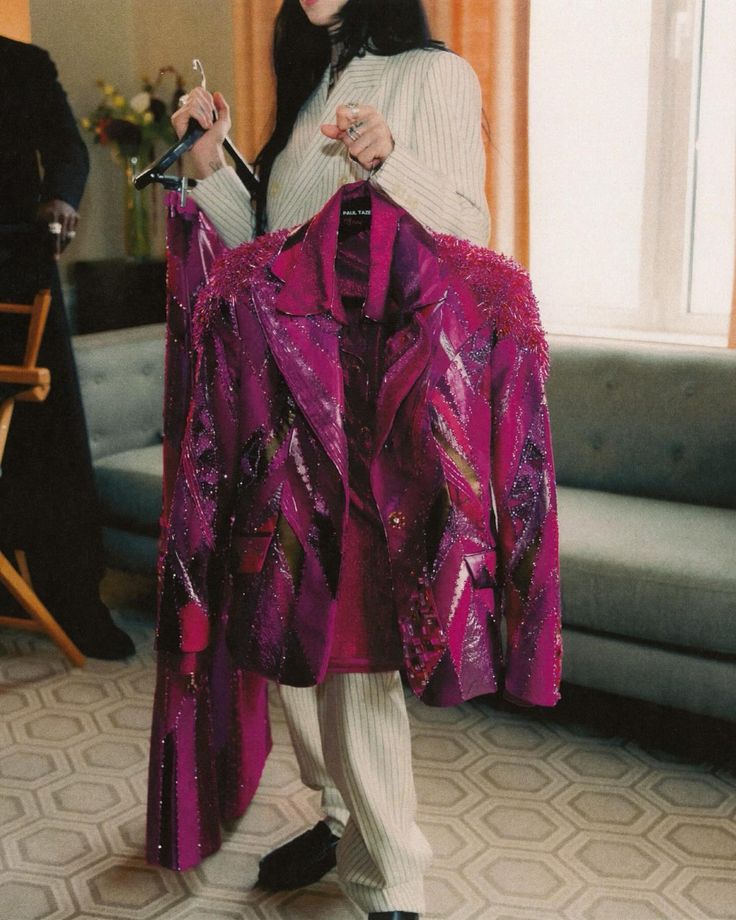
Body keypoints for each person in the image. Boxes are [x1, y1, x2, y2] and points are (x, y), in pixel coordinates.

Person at [163, 2, 558, 917]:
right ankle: (339, 814)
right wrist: (211, 161)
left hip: (380, 405)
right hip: (284, 400)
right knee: (281, 618)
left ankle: (393, 882)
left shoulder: (434, 77)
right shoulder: (312, 85)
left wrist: (388, 161)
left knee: (355, 645)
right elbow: (265, 246)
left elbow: (471, 232)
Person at [0, 35, 134, 660]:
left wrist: (60, 196)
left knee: (46, 442)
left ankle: (73, 601)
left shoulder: (21, 63)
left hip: (13, 270)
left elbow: (67, 151)